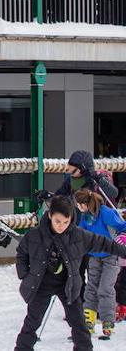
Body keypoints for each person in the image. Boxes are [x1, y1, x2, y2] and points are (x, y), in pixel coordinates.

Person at [14, 195, 126, 351]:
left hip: (68, 285)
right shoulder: (35, 235)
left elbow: (103, 243)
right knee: (32, 322)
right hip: (41, 285)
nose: (61, 226)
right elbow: (21, 253)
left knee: (79, 323)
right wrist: (24, 274)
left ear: (71, 219)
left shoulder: (78, 235)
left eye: (66, 222)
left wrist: (123, 251)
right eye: (58, 221)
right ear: (50, 215)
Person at [75, 187, 126, 338]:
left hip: (111, 254)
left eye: (78, 204)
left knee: (105, 288)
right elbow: (80, 233)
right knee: (92, 287)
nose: (78, 207)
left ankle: (107, 321)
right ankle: (89, 320)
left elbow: (123, 226)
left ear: (84, 203)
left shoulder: (105, 213)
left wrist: (122, 238)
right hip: (95, 255)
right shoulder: (86, 217)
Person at [43, 150, 121, 202]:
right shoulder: (70, 180)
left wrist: (99, 179)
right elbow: (60, 198)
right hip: (76, 222)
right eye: (69, 171)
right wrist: (49, 196)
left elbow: (114, 193)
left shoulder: (97, 179)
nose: (71, 175)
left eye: (73, 171)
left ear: (83, 169)